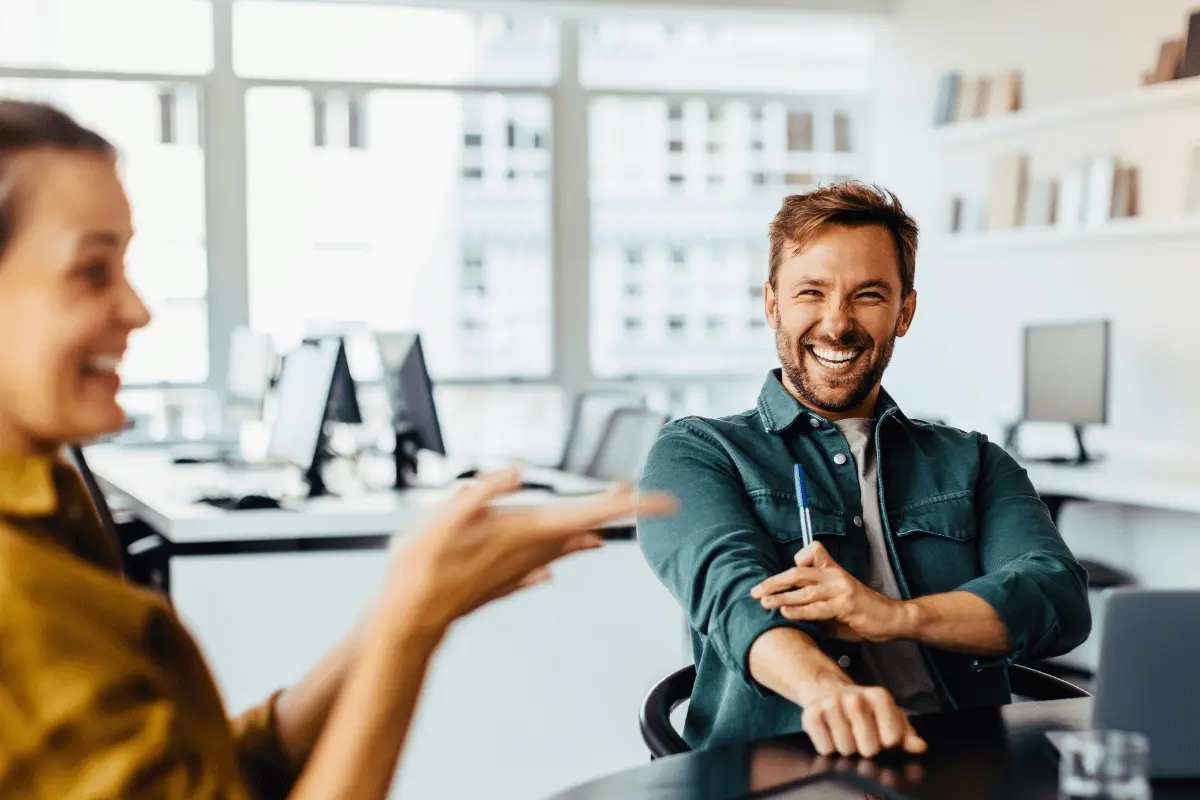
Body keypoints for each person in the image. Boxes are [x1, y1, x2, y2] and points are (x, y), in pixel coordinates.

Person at [0, 100, 675, 799]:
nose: (138, 308)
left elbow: (211, 775)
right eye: (92, 270)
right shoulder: (17, 595)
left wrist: (405, 610)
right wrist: (408, 628)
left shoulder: (52, 525)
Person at [637, 181, 1091, 758]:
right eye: (811, 292)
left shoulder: (975, 461)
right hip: (784, 772)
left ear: (905, 312)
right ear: (772, 302)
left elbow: (1056, 596)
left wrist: (894, 617)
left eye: (868, 296)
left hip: (958, 770)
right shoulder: (698, 451)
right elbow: (734, 598)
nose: (837, 323)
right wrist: (828, 692)